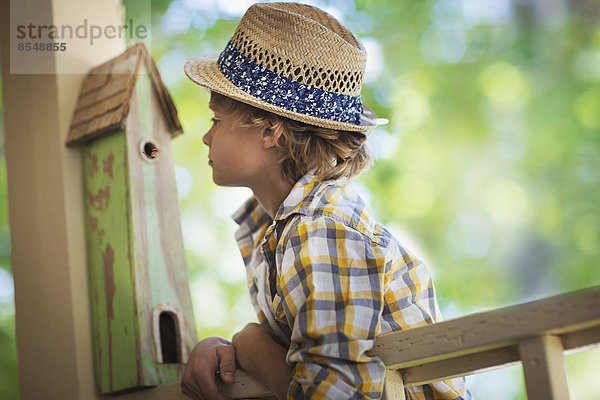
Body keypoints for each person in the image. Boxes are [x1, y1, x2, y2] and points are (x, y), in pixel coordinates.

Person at [181, 2, 472, 399]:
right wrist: (224, 348)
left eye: (216, 119)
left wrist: (248, 343)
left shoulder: (321, 230)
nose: (206, 137)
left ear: (270, 130)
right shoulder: (281, 227)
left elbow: (335, 394)